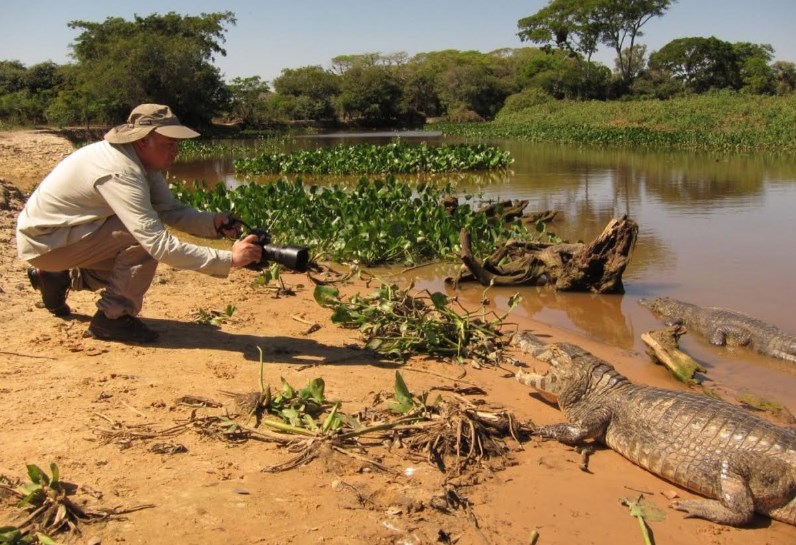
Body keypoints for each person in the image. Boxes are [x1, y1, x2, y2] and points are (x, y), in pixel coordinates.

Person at [16, 103, 262, 343]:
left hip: (64, 236)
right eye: (169, 143)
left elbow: (170, 209)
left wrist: (214, 224)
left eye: (177, 143)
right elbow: (158, 244)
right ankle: (113, 318)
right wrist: (229, 259)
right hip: (44, 242)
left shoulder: (140, 161)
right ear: (143, 140)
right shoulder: (120, 171)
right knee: (139, 237)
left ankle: (59, 278)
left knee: (135, 239)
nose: (176, 151)